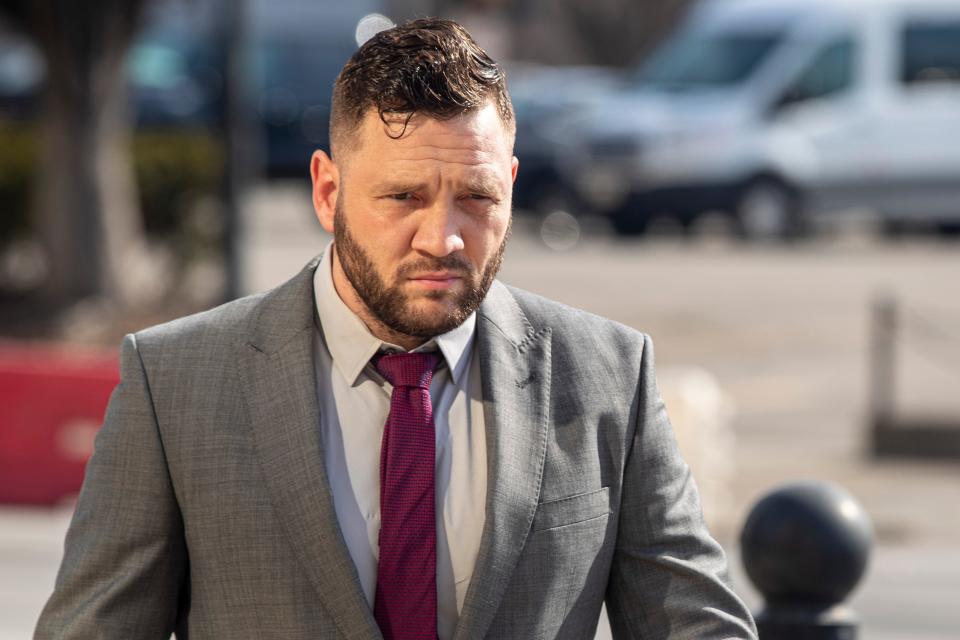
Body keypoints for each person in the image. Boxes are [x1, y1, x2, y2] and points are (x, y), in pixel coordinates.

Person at [36, 18, 757, 640]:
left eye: (476, 197)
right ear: (328, 191)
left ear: (509, 183)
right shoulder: (177, 385)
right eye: (404, 196)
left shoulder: (608, 374)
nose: (442, 237)